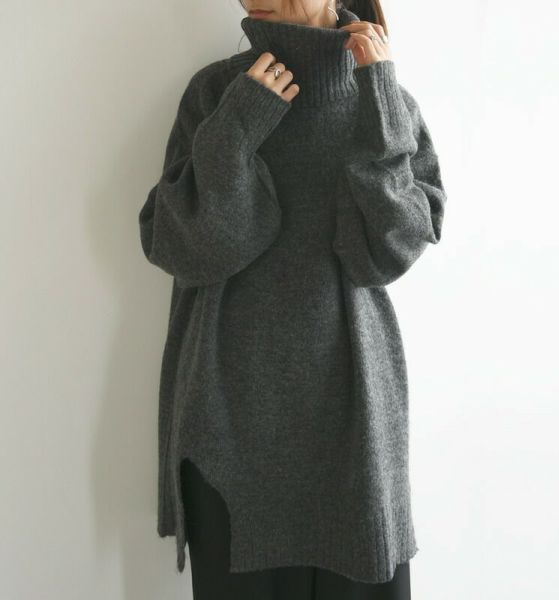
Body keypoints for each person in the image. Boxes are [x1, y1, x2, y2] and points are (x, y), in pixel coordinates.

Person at [138, 0, 447, 598]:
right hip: (228, 418)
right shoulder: (216, 93)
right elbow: (183, 246)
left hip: (354, 418)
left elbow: (389, 252)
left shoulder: (384, 98)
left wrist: (380, 105)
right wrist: (237, 127)